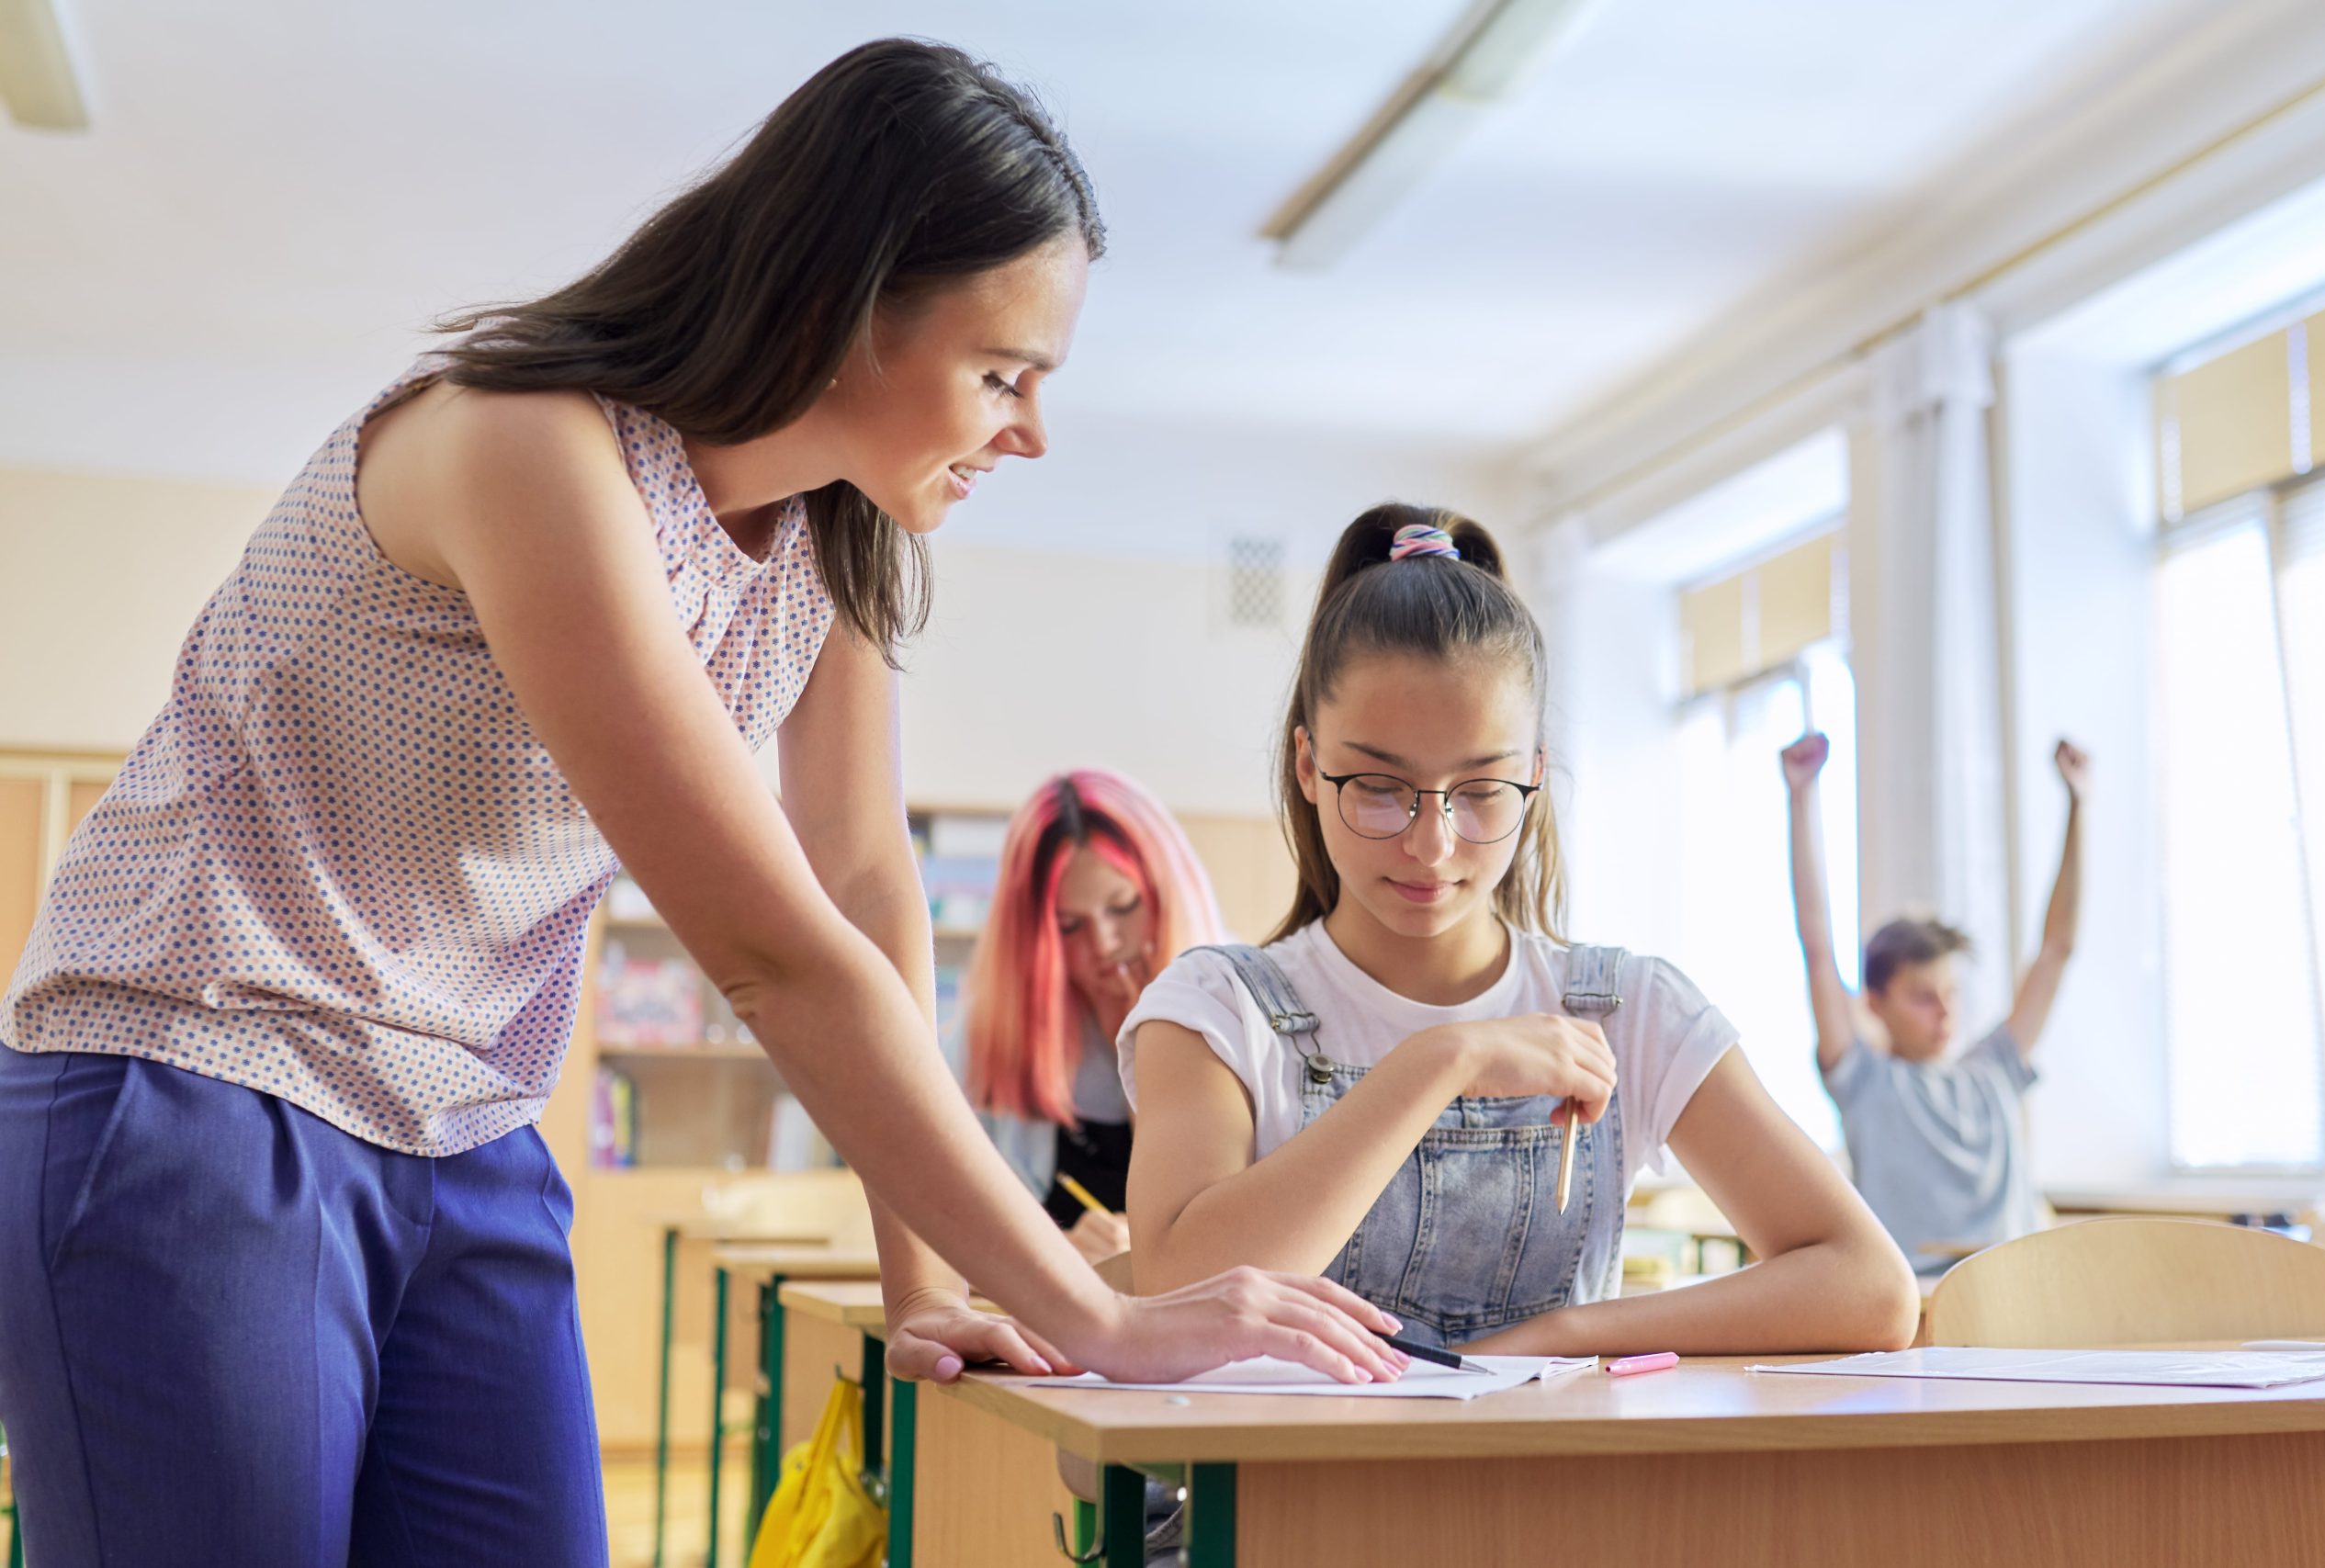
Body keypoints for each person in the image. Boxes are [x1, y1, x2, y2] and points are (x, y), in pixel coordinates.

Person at [0, 39, 1401, 1568]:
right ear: (849, 306)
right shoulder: (529, 450)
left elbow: (864, 887)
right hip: (193, 1083)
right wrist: (1100, 1314)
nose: (1031, 433)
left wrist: (925, 1284)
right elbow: (771, 952)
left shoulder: (828, 548)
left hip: (462, 1124)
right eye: (1005, 374)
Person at [1120, 506, 1919, 1358]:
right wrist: (1443, 1061)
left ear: (1535, 772)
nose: (1433, 843)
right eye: (1380, 786)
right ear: (1309, 765)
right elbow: (1179, 1288)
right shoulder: (1216, 1008)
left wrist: (1567, 1333)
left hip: (1557, 1488)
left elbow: (1869, 1287)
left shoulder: (1628, 1006)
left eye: (1481, 789)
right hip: (1288, 1489)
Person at [1782, 732, 2090, 1271]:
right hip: (1918, 1310)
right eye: (1923, 998)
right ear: (1874, 1004)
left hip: (2015, 1304)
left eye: (1950, 994)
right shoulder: (1866, 1083)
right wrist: (1801, 797)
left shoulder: (1993, 1072)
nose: (1945, 1012)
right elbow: (1817, 948)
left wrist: (2077, 805)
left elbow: (2056, 949)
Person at [966, 770, 1224, 1264]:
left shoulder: (1237, 1009)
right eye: (1070, 926)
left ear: (1168, 897)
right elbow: (952, 1223)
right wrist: (1059, 1251)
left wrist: (1148, 1044)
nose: (1104, 945)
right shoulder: (994, 1034)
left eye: (1124, 907)